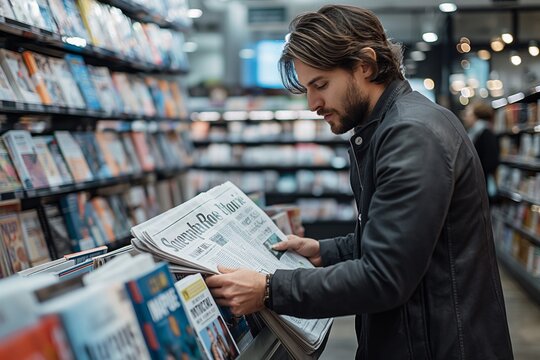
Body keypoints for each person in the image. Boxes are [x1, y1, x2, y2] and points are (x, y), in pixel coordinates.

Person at [206, 5, 513, 359]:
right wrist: (327, 252)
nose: (313, 104)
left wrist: (271, 289)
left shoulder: (410, 136)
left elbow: (385, 276)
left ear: (365, 65)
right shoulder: (389, 128)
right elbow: (401, 238)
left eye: (320, 85)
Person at [463, 101, 500, 201]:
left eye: (468, 113)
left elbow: (491, 160)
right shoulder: (475, 132)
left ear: (476, 116)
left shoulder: (485, 133)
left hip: (482, 182)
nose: (465, 117)